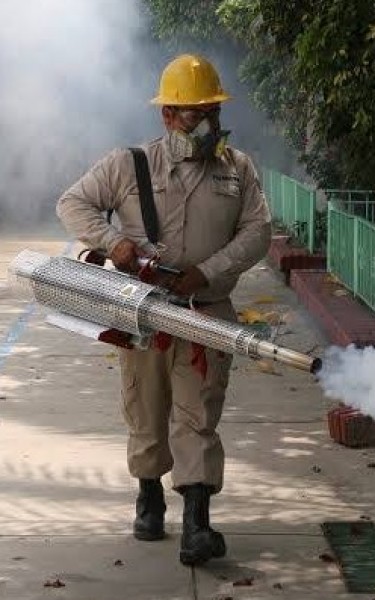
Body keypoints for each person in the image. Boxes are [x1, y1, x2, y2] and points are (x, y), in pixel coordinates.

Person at [56, 54, 272, 566]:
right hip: (142, 313)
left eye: (211, 111)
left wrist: (210, 270)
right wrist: (114, 243)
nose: (206, 123)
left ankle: (197, 523)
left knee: (198, 416)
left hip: (205, 309)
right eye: (194, 113)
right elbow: (72, 204)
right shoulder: (129, 164)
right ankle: (149, 495)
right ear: (168, 115)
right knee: (146, 408)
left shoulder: (238, 169)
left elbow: (257, 232)